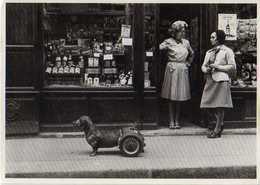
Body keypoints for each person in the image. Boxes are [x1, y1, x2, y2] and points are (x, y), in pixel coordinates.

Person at [200, 30, 236, 138]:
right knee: (207, 104)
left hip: (221, 80)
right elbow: (203, 66)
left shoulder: (227, 51)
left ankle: (217, 129)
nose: (211, 39)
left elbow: (232, 66)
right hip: (210, 80)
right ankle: (220, 123)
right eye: (211, 37)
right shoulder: (209, 52)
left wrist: (217, 66)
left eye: (213, 37)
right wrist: (205, 70)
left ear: (219, 38)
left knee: (220, 106)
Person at [159, 20, 194, 129]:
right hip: (172, 69)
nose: (183, 34)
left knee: (179, 96)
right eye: (181, 32)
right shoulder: (169, 41)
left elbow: (192, 53)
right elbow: (159, 48)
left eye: (184, 32)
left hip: (182, 69)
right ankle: (171, 120)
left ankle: (177, 120)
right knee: (172, 96)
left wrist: (188, 63)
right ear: (174, 32)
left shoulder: (186, 42)